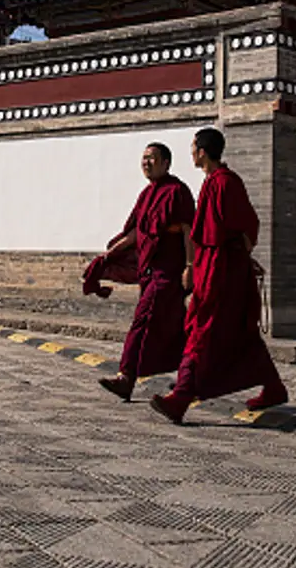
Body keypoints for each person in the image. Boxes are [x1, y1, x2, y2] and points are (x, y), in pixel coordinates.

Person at [149, 127, 288, 425]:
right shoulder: (212, 182)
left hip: (223, 272)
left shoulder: (226, 183)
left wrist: (239, 258)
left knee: (202, 329)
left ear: (202, 151)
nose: (191, 153)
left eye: (193, 148)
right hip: (214, 265)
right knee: (238, 332)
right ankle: (274, 387)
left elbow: (248, 225)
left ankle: (182, 397)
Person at [91, 143, 197, 402]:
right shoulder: (147, 195)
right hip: (150, 271)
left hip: (168, 271)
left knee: (143, 322)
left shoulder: (178, 192)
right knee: (174, 328)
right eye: (144, 158)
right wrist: (110, 253)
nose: (146, 163)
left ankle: (126, 377)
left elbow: (188, 231)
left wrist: (190, 267)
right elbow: (138, 232)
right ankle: (189, 379)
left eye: (152, 158)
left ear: (166, 163)